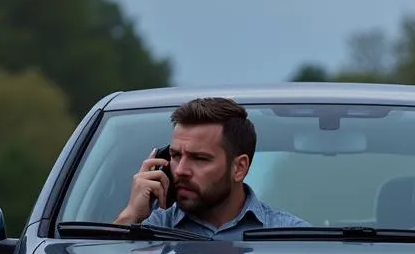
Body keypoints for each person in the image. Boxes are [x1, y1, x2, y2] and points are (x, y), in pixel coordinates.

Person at [114, 96, 307, 238]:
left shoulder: (290, 236)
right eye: (175, 155)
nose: (180, 170)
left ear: (239, 168)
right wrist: (131, 215)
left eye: (199, 158)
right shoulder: (146, 229)